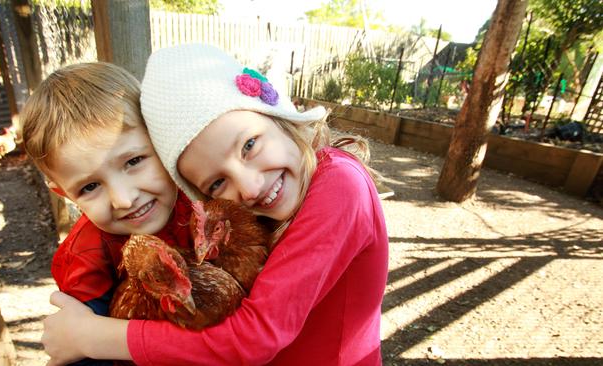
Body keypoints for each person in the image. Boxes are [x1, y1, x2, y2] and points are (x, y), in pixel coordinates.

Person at [41, 44, 389, 365]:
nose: (250, 187)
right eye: (217, 183)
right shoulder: (252, 207)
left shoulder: (339, 185)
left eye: (249, 145)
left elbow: (254, 337)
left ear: (276, 115)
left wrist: (93, 337)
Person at [19, 62, 192, 365]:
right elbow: (80, 348)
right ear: (64, 193)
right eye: (89, 187)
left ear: (159, 138)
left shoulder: (200, 193)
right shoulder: (87, 257)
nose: (124, 199)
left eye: (134, 161)